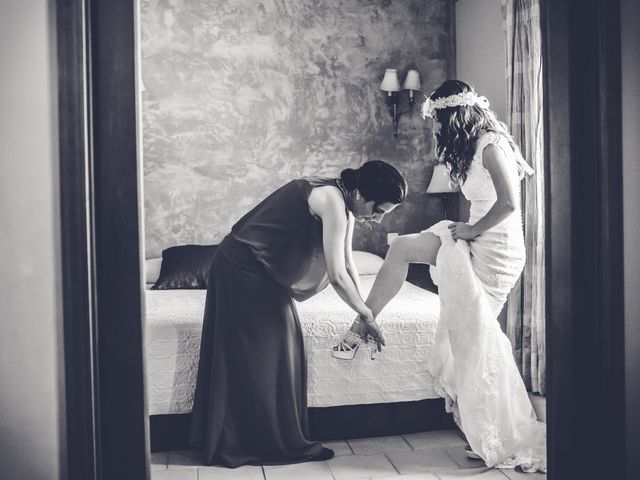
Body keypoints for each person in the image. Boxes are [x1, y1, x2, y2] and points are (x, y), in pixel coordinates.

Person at [332, 80, 546, 473]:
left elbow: (510, 204)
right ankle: (366, 320)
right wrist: (468, 229)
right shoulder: (473, 146)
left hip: (495, 247)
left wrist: (471, 230)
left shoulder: (492, 144)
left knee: (474, 338)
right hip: (474, 235)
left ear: (453, 116)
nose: (434, 129)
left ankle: (498, 433)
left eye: (436, 121)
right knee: (400, 249)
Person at [189, 161, 407, 467]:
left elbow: (349, 265)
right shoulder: (331, 199)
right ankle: (267, 443)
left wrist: (365, 312)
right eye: (378, 209)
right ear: (360, 193)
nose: (377, 218)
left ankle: (262, 437)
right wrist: (368, 317)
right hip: (242, 270)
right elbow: (336, 276)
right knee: (271, 352)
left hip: (259, 272)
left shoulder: (345, 204)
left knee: (283, 347)